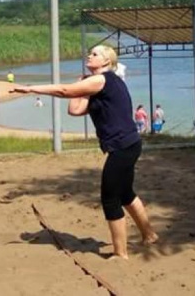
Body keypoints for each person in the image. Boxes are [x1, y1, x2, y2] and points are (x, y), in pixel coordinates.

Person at [10, 44, 158, 259]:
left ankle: (120, 253)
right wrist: (79, 86)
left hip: (124, 146)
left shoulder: (103, 79)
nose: (89, 55)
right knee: (125, 193)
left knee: (110, 198)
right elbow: (75, 109)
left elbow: (63, 91)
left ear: (106, 61)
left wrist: (32, 88)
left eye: (95, 54)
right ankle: (149, 235)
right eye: (90, 52)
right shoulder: (94, 84)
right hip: (126, 145)